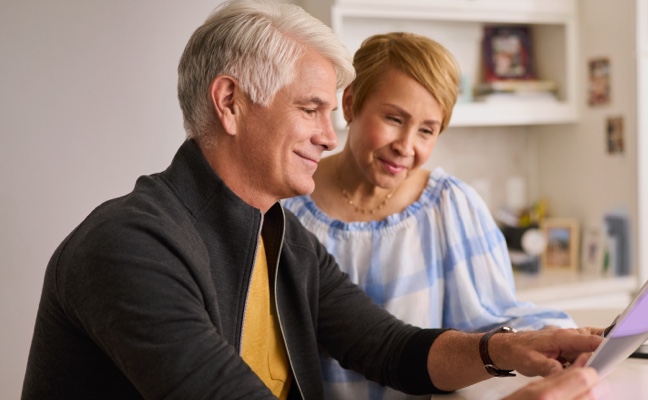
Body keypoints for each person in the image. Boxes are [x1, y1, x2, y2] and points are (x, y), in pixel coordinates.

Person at [21, 1, 602, 399]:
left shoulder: (278, 235)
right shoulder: (128, 248)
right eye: (310, 109)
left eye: (333, 112)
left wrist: (513, 349)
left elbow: (390, 348)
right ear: (230, 102)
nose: (330, 135)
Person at [281, 32, 577, 399]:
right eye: (393, 118)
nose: (406, 146)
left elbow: (495, 318)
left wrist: (559, 335)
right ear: (350, 102)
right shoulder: (286, 205)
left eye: (426, 130)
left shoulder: (449, 207)